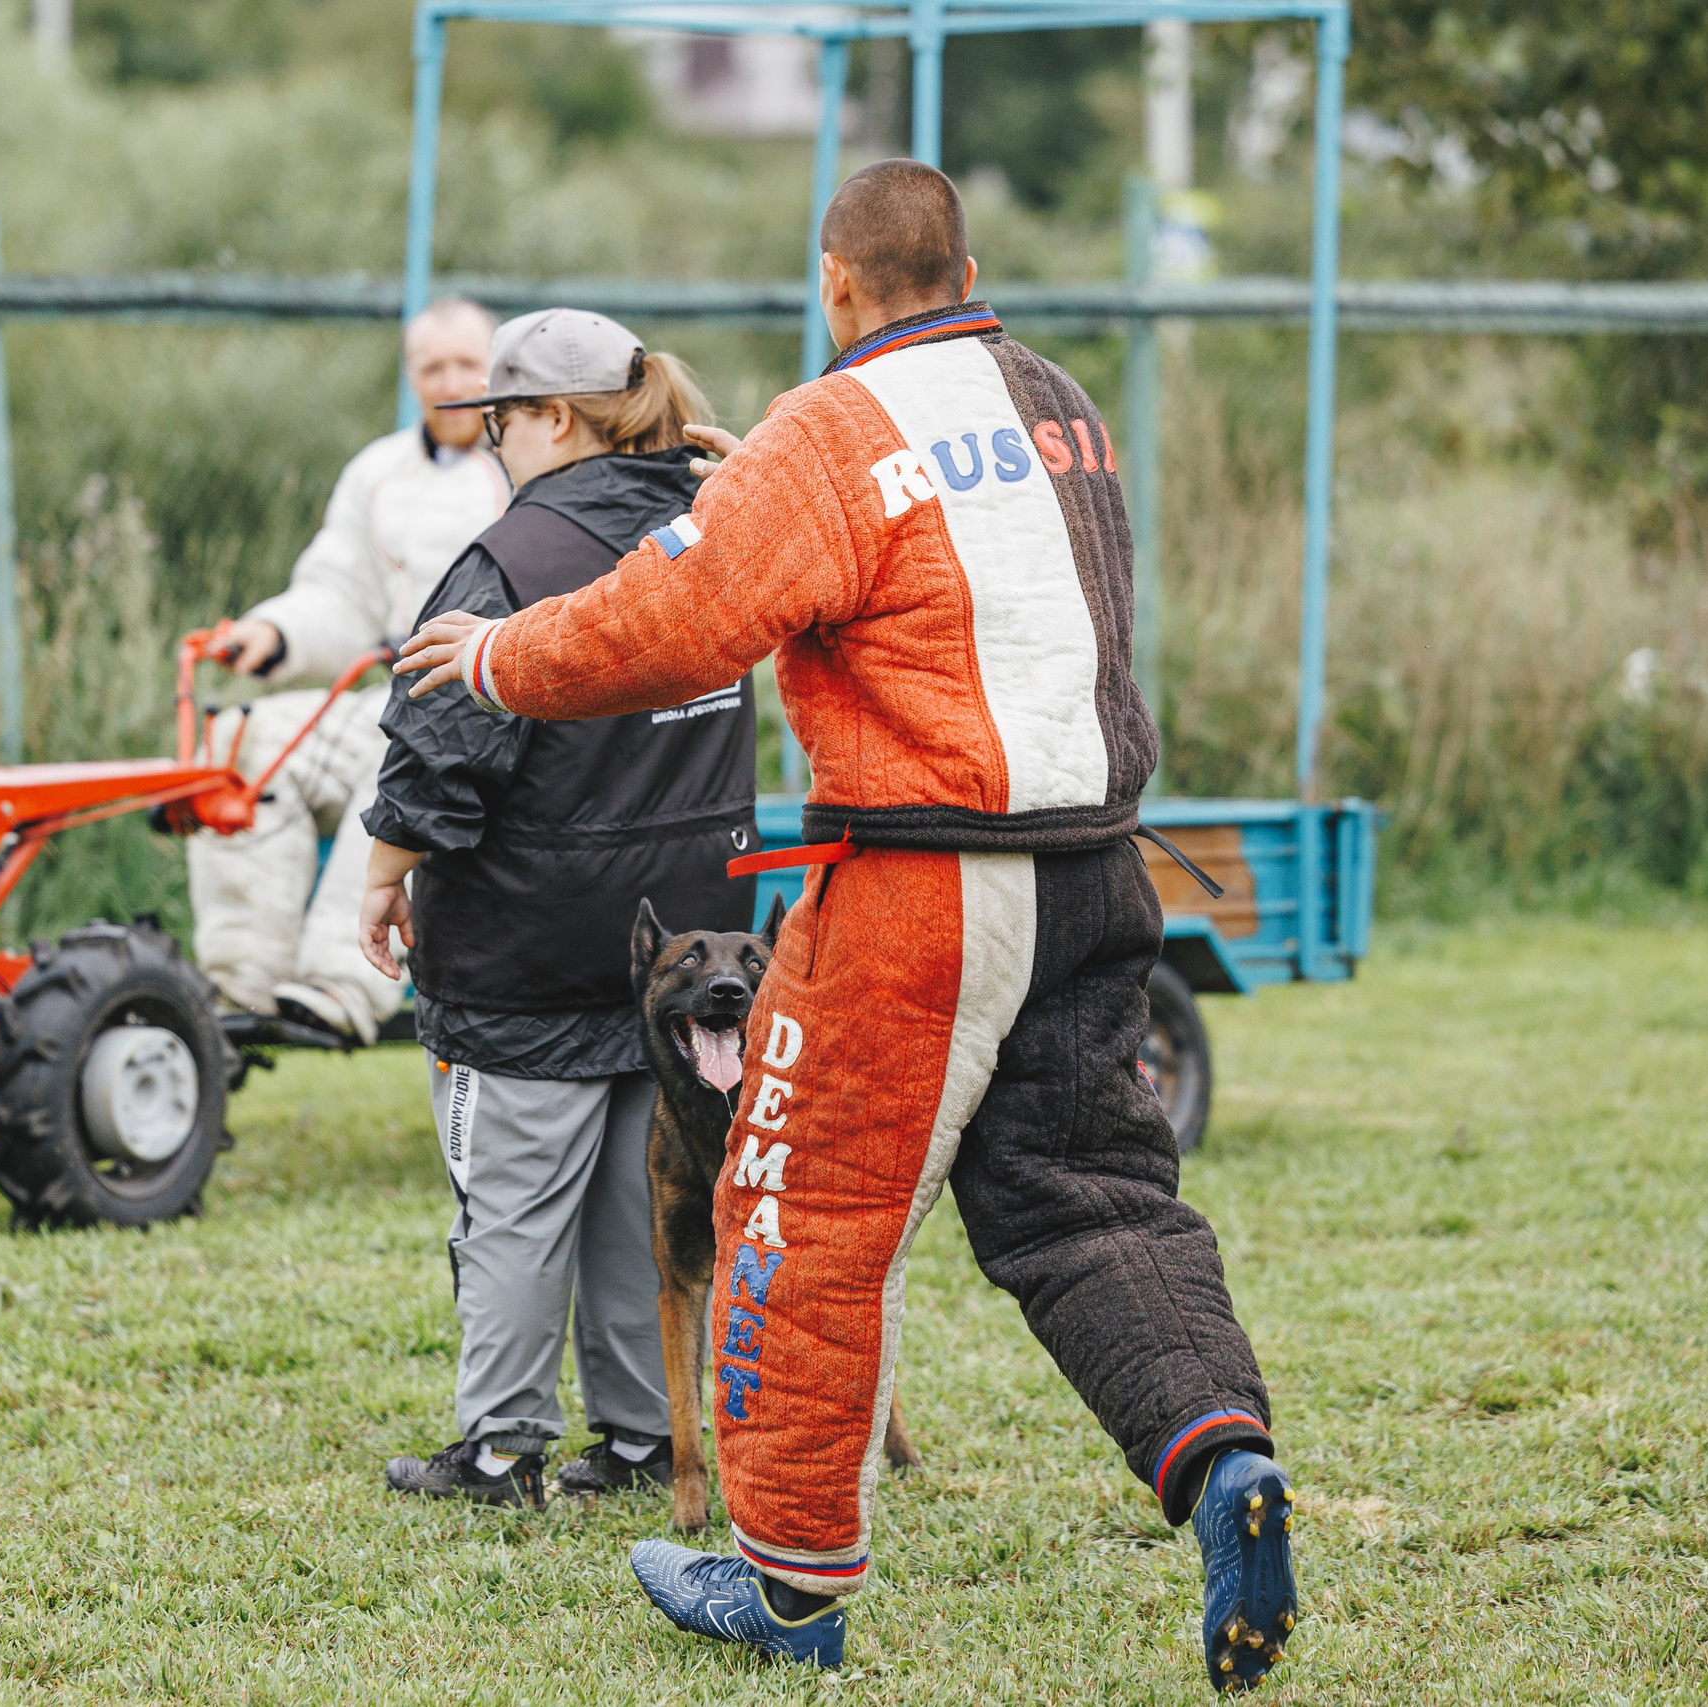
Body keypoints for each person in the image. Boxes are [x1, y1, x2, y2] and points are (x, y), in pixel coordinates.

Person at [396, 163, 1298, 1691]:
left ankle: (790, 1586)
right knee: (1099, 1202)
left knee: (795, 1217)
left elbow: (662, 622)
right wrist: (771, 491)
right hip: (1092, 865)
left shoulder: (828, 432)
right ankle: (1224, 1465)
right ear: (968, 263)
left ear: (836, 284)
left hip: (920, 873)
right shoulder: (1054, 399)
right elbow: (951, 558)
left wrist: (491, 661)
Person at [355, 308, 758, 1509]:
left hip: (527, 942)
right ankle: (643, 1438)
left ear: (555, 420)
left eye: (502, 424)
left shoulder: (512, 561)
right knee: (653, 1192)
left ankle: (498, 1451)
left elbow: (440, 749)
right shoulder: (718, 526)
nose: (491, 447)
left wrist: (383, 877)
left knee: (515, 1205)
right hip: (688, 953)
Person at [186, 298, 511, 1044]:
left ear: (495, 372)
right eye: (434, 367)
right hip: (386, 689)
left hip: (487, 707)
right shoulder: (377, 473)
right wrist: (274, 631)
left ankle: (343, 981)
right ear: (412, 376)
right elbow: (337, 593)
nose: (452, 380)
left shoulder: (523, 469)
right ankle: (240, 984)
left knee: (400, 750)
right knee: (239, 742)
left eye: (468, 364)